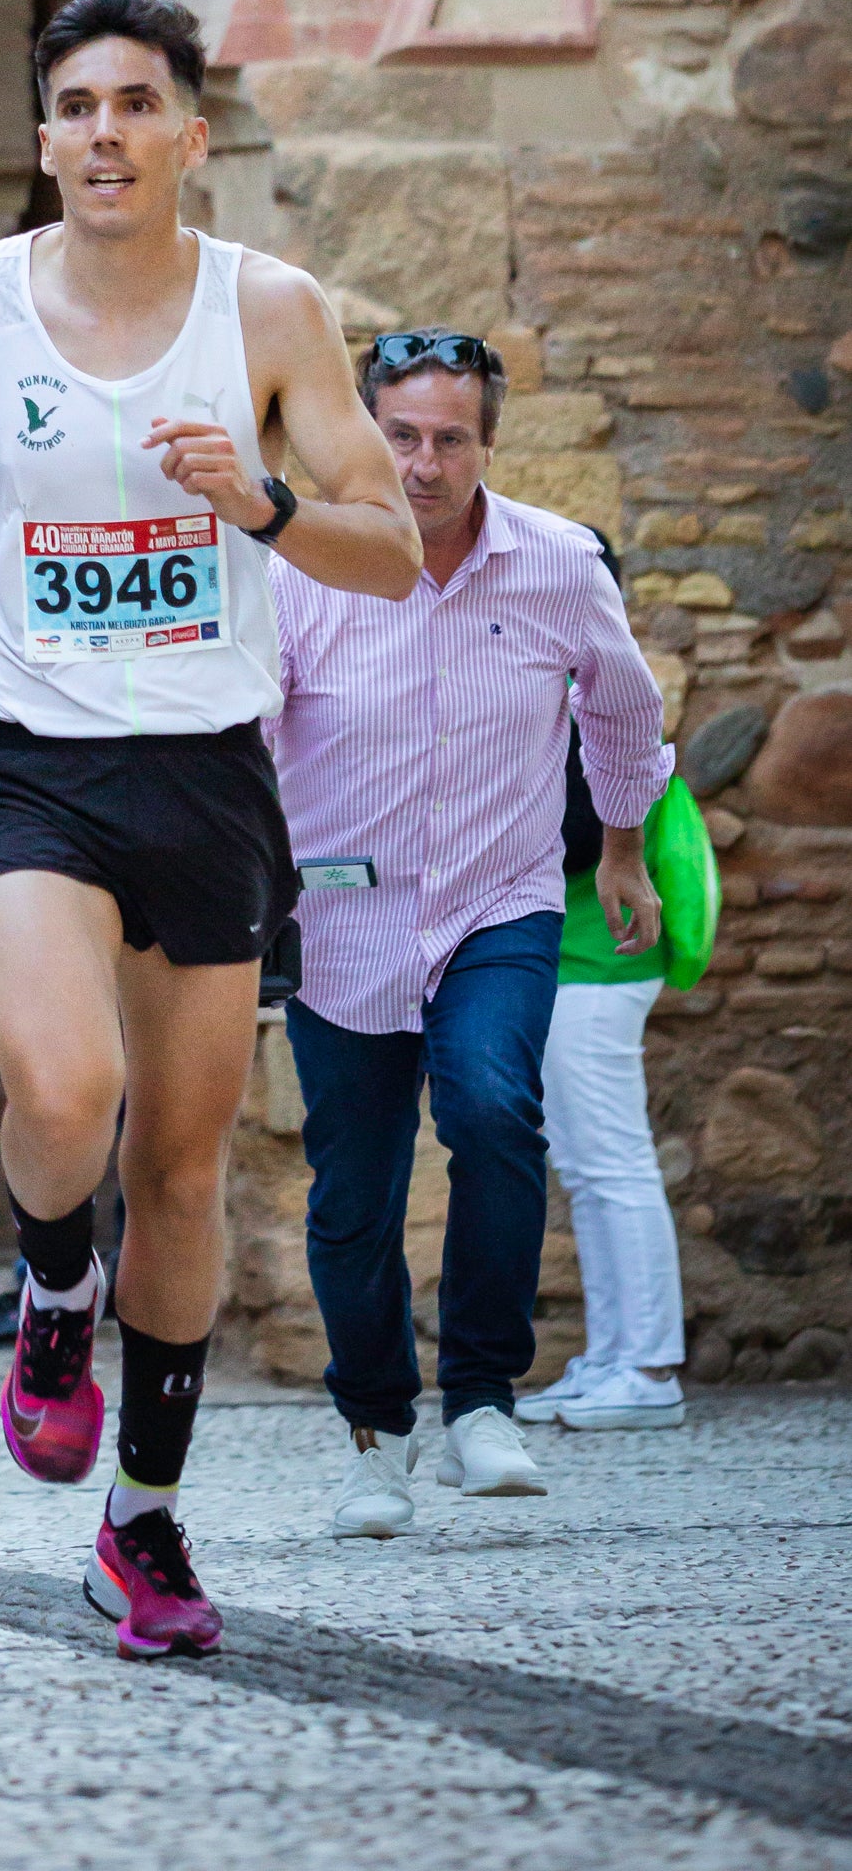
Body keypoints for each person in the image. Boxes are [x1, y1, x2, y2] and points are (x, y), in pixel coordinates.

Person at [0, 0, 421, 1658]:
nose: (102, 133)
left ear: (192, 132)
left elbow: (388, 540)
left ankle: (145, 1522)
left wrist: (253, 498)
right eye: (74, 107)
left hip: (206, 767)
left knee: (177, 1169)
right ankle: (52, 1279)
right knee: (66, 1085)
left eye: (134, 104)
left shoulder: (270, 311)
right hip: (29, 751)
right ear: (44, 139)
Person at [271, 329, 673, 1539]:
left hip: (500, 900)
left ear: (486, 442)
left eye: (450, 437)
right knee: (355, 1186)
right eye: (400, 435)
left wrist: (619, 848)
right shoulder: (300, 569)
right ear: (363, 434)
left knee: (495, 1109)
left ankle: (480, 1397)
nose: (424, 462)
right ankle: (373, 1435)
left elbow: (623, 704)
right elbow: (242, 733)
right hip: (340, 917)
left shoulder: (554, 562)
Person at [518, 728, 719, 1432]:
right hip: (577, 962)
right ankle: (612, 1360)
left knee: (612, 1165)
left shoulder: (577, 710)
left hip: (598, 962)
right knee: (585, 1166)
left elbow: (580, 835)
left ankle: (648, 1370)